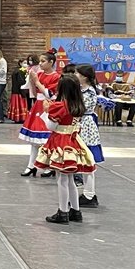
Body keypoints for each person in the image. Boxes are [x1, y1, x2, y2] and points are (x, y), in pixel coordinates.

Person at [34, 75, 96, 224]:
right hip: (73, 141)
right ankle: (75, 210)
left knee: (61, 179)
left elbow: (51, 126)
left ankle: (63, 212)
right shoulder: (78, 105)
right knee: (70, 179)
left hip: (61, 142)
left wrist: (46, 111)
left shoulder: (60, 106)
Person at [19, 51, 60, 177]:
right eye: (40, 61)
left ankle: (50, 165)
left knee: (46, 138)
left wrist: (36, 82)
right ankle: (31, 165)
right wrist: (32, 81)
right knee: (35, 140)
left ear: (51, 62)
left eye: (43, 61)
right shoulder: (40, 74)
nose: (40, 64)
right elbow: (35, 93)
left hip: (48, 106)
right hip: (38, 105)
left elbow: (50, 94)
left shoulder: (56, 77)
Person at [75, 64, 104, 208]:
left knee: (88, 160)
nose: (75, 76)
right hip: (81, 124)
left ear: (84, 77)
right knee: (84, 161)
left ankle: (89, 194)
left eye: (77, 74)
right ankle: (88, 192)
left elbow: (81, 108)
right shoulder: (81, 89)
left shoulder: (90, 91)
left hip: (86, 126)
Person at [7, 59, 29, 124]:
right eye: (24, 63)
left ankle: (16, 118)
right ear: (20, 63)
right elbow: (21, 82)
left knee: (16, 105)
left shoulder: (16, 70)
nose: (26, 64)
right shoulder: (20, 71)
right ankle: (21, 118)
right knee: (20, 104)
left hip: (15, 91)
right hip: (20, 91)